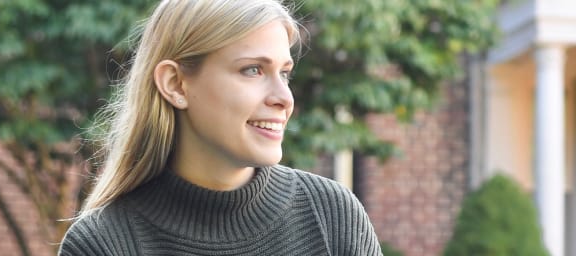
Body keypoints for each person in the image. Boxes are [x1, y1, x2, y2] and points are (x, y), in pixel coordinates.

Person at [59, 0, 381, 255]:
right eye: (253, 70)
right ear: (176, 84)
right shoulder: (105, 244)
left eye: (284, 73)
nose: (285, 98)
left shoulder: (331, 215)